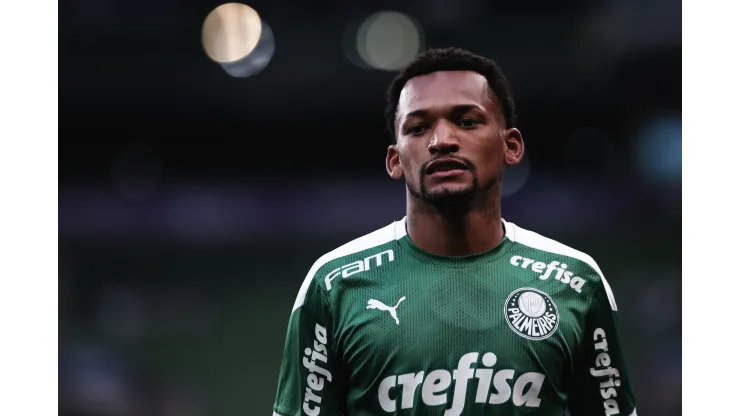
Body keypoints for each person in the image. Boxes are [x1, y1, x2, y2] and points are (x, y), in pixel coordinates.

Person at [271, 47, 637, 416]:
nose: (441, 140)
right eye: (418, 128)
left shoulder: (576, 282)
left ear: (511, 146)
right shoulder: (334, 285)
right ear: (395, 160)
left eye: (466, 121)